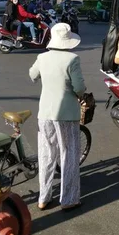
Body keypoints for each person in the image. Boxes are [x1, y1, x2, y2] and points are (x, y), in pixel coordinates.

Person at [29, 23, 86, 211]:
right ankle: (68, 200)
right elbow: (79, 88)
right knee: (68, 155)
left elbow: (32, 75)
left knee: (46, 154)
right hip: (67, 114)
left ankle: (43, 198)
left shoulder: (42, 57)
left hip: (45, 112)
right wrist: (81, 96)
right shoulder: (73, 59)